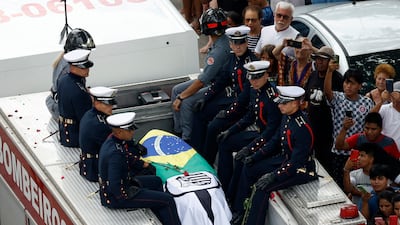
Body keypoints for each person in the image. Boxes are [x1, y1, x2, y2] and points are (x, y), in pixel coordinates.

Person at [233, 86, 317, 225]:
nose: (279, 105)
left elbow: (296, 163)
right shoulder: (287, 117)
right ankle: (239, 211)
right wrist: (254, 156)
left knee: (263, 187)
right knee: (250, 168)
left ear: (295, 103)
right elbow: (275, 142)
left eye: (284, 103)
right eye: (279, 102)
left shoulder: (302, 128)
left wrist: (274, 175)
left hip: (301, 169)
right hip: (286, 161)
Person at [98, 112, 181, 225]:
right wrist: (130, 194)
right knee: (167, 200)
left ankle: (161, 218)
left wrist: (142, 164)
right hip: (118, 196)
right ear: (119, 131)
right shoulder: (115, 154)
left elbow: (126, 155)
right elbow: (114, 184)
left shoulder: (114, 141)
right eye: (129, 130)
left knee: (155, 181)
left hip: (123, 184)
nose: (133, 132)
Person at [215, 60, 282, 197]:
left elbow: (272, 130)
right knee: (225, 142)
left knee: (243, 160)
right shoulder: (254, 91)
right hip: (260, 134)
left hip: (271, 141)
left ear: (266, 76)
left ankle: (233, 196)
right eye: (251, 78)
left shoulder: (272, 97)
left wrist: (249, 148)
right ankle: (223, 184)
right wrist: (230, 131)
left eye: (257, 77)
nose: (254, 81)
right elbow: (250, 116)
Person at [191, 25, 258, 154]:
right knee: (199, 111)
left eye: (241, 43)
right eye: (234, 43)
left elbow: (245, 95)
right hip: (232, 100)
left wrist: (228, 112)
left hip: (244, 107)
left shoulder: (252, 64)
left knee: (213, 127)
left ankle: (207, 160)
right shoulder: (232, 59)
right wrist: (205, 98)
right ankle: (196, 152)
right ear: (230, 44)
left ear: (246, 43)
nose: (238, 46)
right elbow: (221, 81)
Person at [172, 8, 231, 142]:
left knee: (186, 102)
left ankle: (187, 139)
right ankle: (178, 130)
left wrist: (181, 98)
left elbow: (202, 81)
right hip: (213, 81)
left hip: (220, 87)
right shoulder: (220, 41)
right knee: (176, 90)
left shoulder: (219, 51)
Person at [324, 67, 374, 188]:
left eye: (352, 83)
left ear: (360, 86)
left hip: (358, 154)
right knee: (339, 186)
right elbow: (327, 91)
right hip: (338, 153)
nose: (348, 86)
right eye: (346, 82)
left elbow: (372, 122)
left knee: (356, 187)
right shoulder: (338, 98)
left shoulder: (367, 102)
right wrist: (329, 71)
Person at [303, 46, 343, 172]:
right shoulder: (313, 75)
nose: (319, 62)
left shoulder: (337, 79)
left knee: (325, 165)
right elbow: (306, 99)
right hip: (311, 127)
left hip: (328, 132)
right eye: (317, 59)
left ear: (331, 61)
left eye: (323, 60)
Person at [45, 28, 95, 121]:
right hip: (59, 108)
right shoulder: (69, 67)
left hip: (56, 102)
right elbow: (70, 95)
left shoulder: (65, 60)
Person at [78, 86, 117, 182]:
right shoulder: (99, 125)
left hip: (89, 164)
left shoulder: (90, 114)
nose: (111, 107)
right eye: (107, 104)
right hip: (96, 169)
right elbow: (113, 149)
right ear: (97, 103)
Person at [58, 49, 95, 147]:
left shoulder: (63, 79)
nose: (87, 70)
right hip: (76, 136)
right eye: (83, 68)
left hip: (65, 132)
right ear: (73, 67)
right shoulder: (79, 92)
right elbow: (85, 119)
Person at [335, 112, 400, 159]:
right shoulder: (358, 138)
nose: (369, 132)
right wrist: (344, 129)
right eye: (367, 128)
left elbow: (397, 161)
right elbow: (339, 146)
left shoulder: (389, 143)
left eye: (373, 129)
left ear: (381, 129)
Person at [373, 81, 400, 151]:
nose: (395, 96)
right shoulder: (384, 108)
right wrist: (381, 101)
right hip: (386, 152)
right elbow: (370, 117)